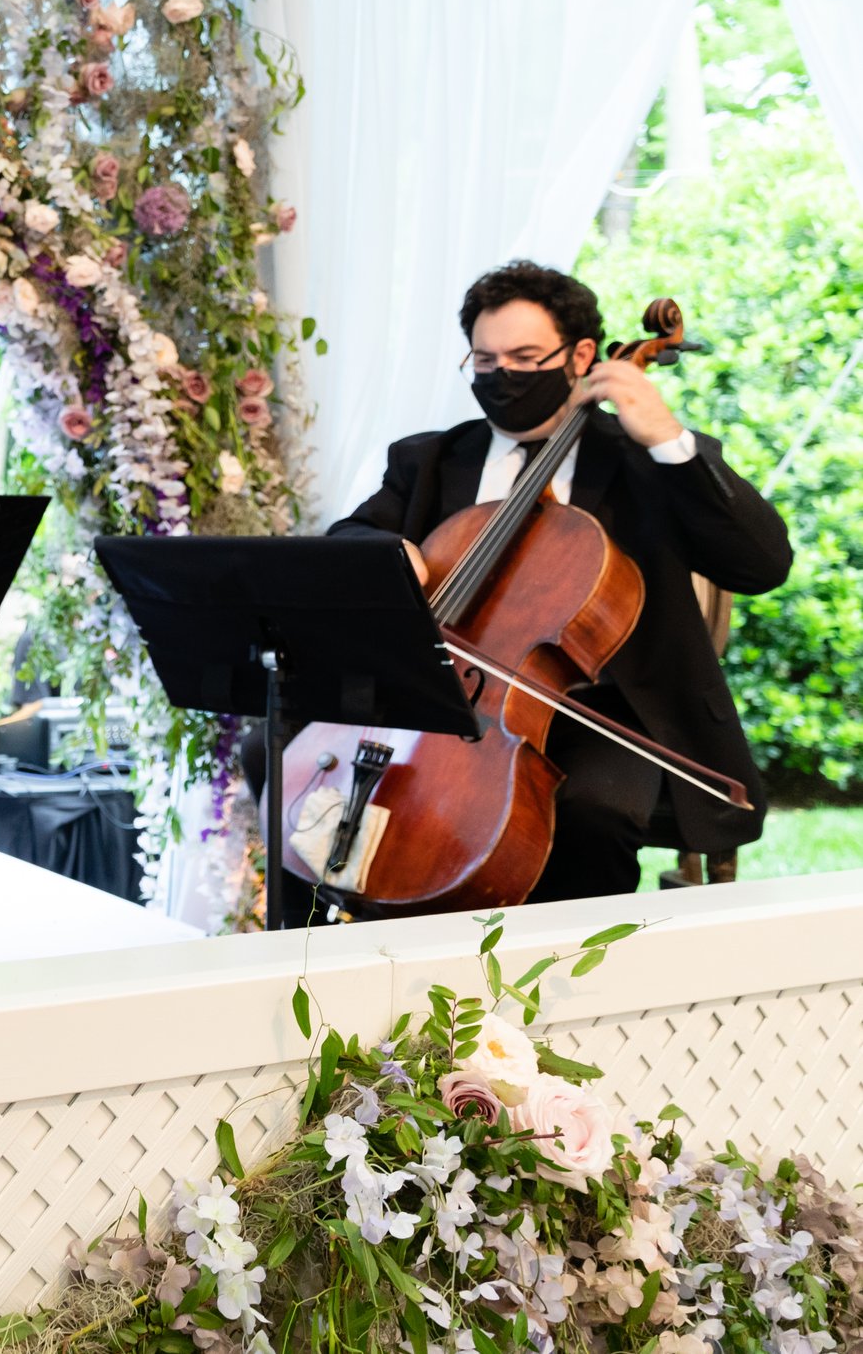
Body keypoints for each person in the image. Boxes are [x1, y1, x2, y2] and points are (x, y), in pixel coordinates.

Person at [312, 259, 791, 909]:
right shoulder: (429, 458)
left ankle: (570, 965)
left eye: (525, 357)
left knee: (593, 810)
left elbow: (761, 565)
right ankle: (344, 941)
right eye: (484, 360)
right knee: (274, 757)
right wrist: (389, 551)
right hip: (448, 699)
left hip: (606, 713)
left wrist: (667, 438)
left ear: (581, 355)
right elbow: (348, 539)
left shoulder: (643, 459)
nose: (501, 375)